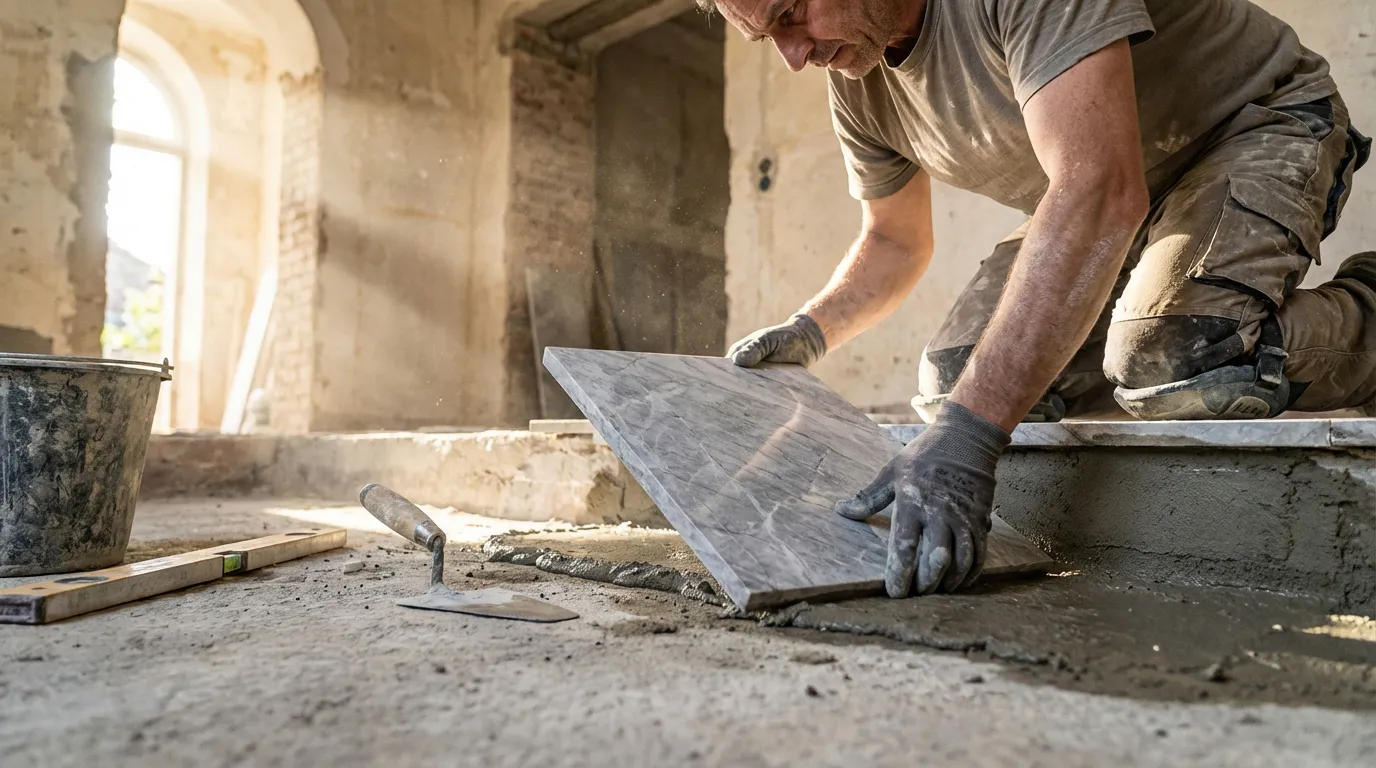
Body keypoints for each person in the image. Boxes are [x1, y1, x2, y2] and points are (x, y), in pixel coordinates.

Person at [709, 0, 1373, 598]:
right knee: (953, 384)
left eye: (791, 13)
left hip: (1255, 125)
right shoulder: (857, 81)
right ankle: (1156, 311)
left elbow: (1096, 189)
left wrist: (972, 437)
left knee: (1182, 360)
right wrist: (810, 331)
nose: (793, 57)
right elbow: (893, 242)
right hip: (1123, 191)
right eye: (766, 38)